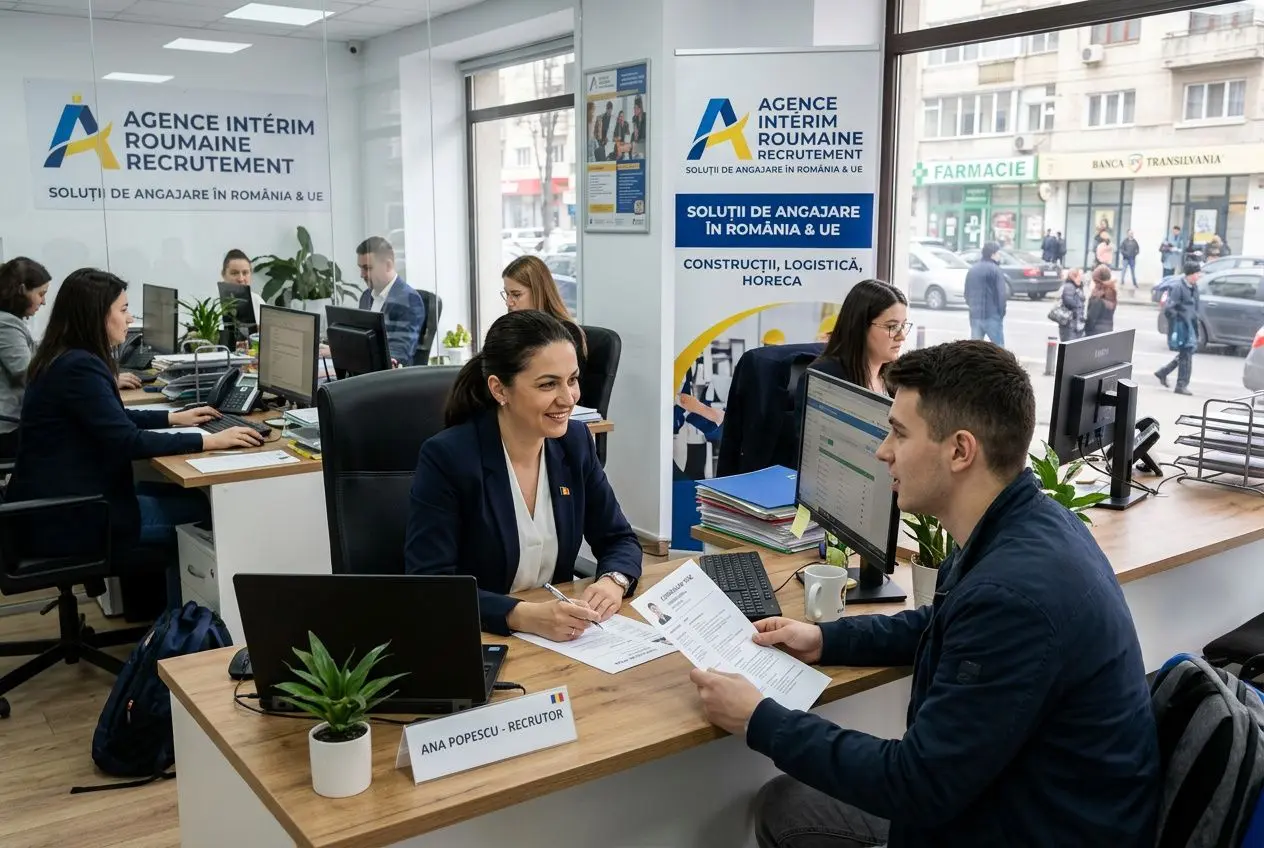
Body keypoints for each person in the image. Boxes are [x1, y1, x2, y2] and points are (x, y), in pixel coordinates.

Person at [689, 340, 1159, 847]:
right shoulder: (1022, 522)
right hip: (1014, 798)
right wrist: (824, 639)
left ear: (960, 450)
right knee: (787, 803)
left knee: (787, 807)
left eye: (898, 433)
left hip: (1030, 827)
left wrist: (759, 719)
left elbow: (916, 785)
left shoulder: (1015, 596)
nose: (882, 451)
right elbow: (941, 622)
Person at [6, 269, 263, 605]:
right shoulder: (79, 367)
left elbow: (110, 420)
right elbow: (126, 441)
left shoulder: (63, 357)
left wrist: (173, 417)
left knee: (177, 495)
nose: (130, 318)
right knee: (197, 512)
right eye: (124, 309)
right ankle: (177, 637)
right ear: (98, 316)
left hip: (54, 506)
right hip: (74, 517)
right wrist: (209, 440)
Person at [404, 310, 642, 639]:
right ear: (500, 390)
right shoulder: (449, 457)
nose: (568, 398)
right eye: (548, 384)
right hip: (478, 636)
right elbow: (433, 585)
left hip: (561, 637)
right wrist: (521, 615)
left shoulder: (576, 443)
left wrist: (613, 581)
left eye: (572, 379)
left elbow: (619, 539)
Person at [806, 280, 908, 396]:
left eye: (903, 325)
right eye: (892, 326)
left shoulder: (897, 378)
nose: (902, 336)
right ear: (861, 327)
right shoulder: (825, 378)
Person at [0, 258, 51, 457]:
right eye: (41, 294)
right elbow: (29, 375)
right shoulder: (6, 325)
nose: (44, 301)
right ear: (22, 290)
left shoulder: (10, 321)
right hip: (7, 429)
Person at [502, 255, 587, 370]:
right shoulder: (512, 329)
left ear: (539, 292)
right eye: (507, 294)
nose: (509, 303)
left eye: (516, 295)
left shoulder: (567, 333)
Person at [356, 236, 425, 365]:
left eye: (367, 268)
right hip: (364, 371)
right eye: (361, 268)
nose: (362, 274)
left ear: (388, 265)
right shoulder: (366, 296)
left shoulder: (409, 300)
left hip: (390, 379)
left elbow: (399, 353)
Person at [1155, 259, 1201, 396]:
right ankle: (1181, 385)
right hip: (1182, 326)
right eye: (1197, 273)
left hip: (1191, 325)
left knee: (1187, 353)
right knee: (1186, 355)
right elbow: (1169, 308)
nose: (1198, 276)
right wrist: (1179, 321)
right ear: (1190, 274)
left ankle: (1163, 372)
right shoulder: (1178, 287)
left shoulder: (1194, 287)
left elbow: (1194, 306)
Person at [963, 241, 1006, 346]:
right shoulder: (996, 270)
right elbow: (1001, 295)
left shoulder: (973, 269)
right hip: (992, 316)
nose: (1000, 256)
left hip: (975, 315)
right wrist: (1001, 313)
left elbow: (967, 293)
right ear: (993, 254)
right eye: (998, 253)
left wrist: (972, 307)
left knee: (975, 350)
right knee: (999, 350)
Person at [220, 248, 264, 325]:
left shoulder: (257, 301)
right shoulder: (212, 304)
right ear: (223, 275)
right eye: (234, 273)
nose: (241, 279)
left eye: (245, 273)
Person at [1084, 265, 1118, 337]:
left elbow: (1092, 318)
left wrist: (1086, 331)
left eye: (1095, 280)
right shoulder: (1111, 290)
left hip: (1095, 332)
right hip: (1108, 329)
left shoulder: (1098, 295)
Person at [1057, 267, 1086, 342]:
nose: (1083, 277)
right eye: (1081, 275)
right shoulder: (1069, 286)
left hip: (1075, 324)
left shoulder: (1077, 287)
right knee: (1069, 345)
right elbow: (1069, 302)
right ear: (1074, 276)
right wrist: (1077, 307)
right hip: (1069, 324)